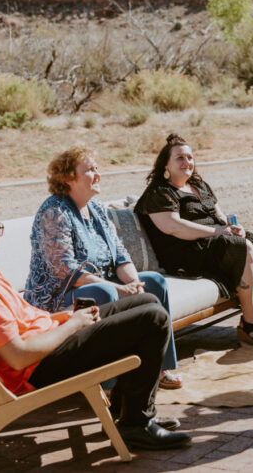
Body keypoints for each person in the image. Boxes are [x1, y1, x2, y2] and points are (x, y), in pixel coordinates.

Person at [0, 196, 191, 450]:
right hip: (40, 366)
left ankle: (127, 414)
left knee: (145, 301)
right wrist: (74, 325)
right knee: (153, 320)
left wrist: (63, 318)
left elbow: (21, 322)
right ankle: (136, 425)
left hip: (49, 345)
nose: (1, 234)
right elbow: (17, 355)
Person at [25, 146, 182, 390]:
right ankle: (106, 383)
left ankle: (159, 366)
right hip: (56, 298)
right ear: (68, 178)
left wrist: (133, 284)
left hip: (98, 283)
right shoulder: (55, 212)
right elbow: (68, 272)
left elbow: (119, 254)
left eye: (97, 168)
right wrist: (119, 289)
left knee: (154, 282)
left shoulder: (96, 208)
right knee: (104, 294)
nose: (97, 174)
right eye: (89, 170)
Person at [135, 134, 253, 346]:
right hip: (185, 252)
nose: (187, 162)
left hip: (212, 243)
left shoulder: (200, 186)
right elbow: (174, 228)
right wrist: (217, 231)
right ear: (166, 164)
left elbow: (220, 216)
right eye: (180, 158)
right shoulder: (159, 192)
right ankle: (250, 322)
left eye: (190, 157)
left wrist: (231, 228)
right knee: (243, 247)